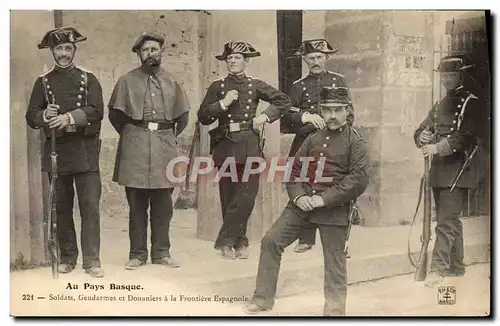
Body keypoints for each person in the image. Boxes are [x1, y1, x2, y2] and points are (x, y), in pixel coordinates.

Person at [244, 86, 369, 316]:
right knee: (271, 241)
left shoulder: (356, 142)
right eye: (327, 110)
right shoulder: (312, 138)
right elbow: (293, 171)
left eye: (337, 110)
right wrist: (299, 196)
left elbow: (358, 181)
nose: (332, 116)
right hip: (302, 206)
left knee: (335, 262)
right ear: (321, 111)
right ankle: (262, 299)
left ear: (347, 110)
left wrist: (323, 199)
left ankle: (334, 312)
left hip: (334, 209)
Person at [197, 41, 291, 260]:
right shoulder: (217, 87)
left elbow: (283, 100)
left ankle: (225, 241)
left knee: (247, 194)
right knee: (229, 195)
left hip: (249, 144)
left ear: (246, 62)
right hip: (225, 144)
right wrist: (222, 103)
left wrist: (265, 116)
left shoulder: (254, 85)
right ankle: (240, 242)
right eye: (229, 58)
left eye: (237, 58)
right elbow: (203, 116)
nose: (232, 61)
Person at [25, 27, 104, 278]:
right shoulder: (43, 82)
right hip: (57, 153)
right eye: (59, 49)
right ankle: (68, 257)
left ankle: (92, 261)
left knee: (90, 208)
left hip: (85, 153)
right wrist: (44, 116)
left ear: (74, 50)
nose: (63, 54)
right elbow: (31, 115)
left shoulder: (88, 79)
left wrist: (69, 118)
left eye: (68, 48)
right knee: (61, 208)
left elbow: (96, 110)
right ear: (52, 52)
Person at [108, 32, 190, 270]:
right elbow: (116, 115)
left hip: (164, 145)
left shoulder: (172, 81)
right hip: (135, 146)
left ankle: (162, 253)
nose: (151, 53)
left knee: (163, 205)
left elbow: (182, 117)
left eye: (154, 49)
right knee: (137, 204)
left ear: (161, 52)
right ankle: (137, 254)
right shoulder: (126, 81)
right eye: (146, 50)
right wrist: (134, 134)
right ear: (138, 54)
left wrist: (166, 136)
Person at [281, 39, 356, 253]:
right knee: (303, 184)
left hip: (334, 141)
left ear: (326, 58)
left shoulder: (338, 81)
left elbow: (349, 114)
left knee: (334, 185)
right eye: (311, 57)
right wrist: (305, 117)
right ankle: (306, 238)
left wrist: (336, 132)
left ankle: (337, 239)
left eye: (319, 57)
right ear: (305, 60)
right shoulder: (297, 87)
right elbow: (286, 115)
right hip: (306, 143)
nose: (315, 61)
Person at [414, 54, 480, 287]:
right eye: (444, 76)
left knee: (446, 222)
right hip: (439, 172)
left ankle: (438, 269)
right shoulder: (439, 105)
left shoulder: (472, 103)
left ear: (461, 75)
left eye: (452, 75)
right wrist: (421, 136)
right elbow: (423, 128)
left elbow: (465, 137)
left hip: (459, 171)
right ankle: (457, 266)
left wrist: (438, 147)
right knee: (450, 220)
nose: (447, 80)